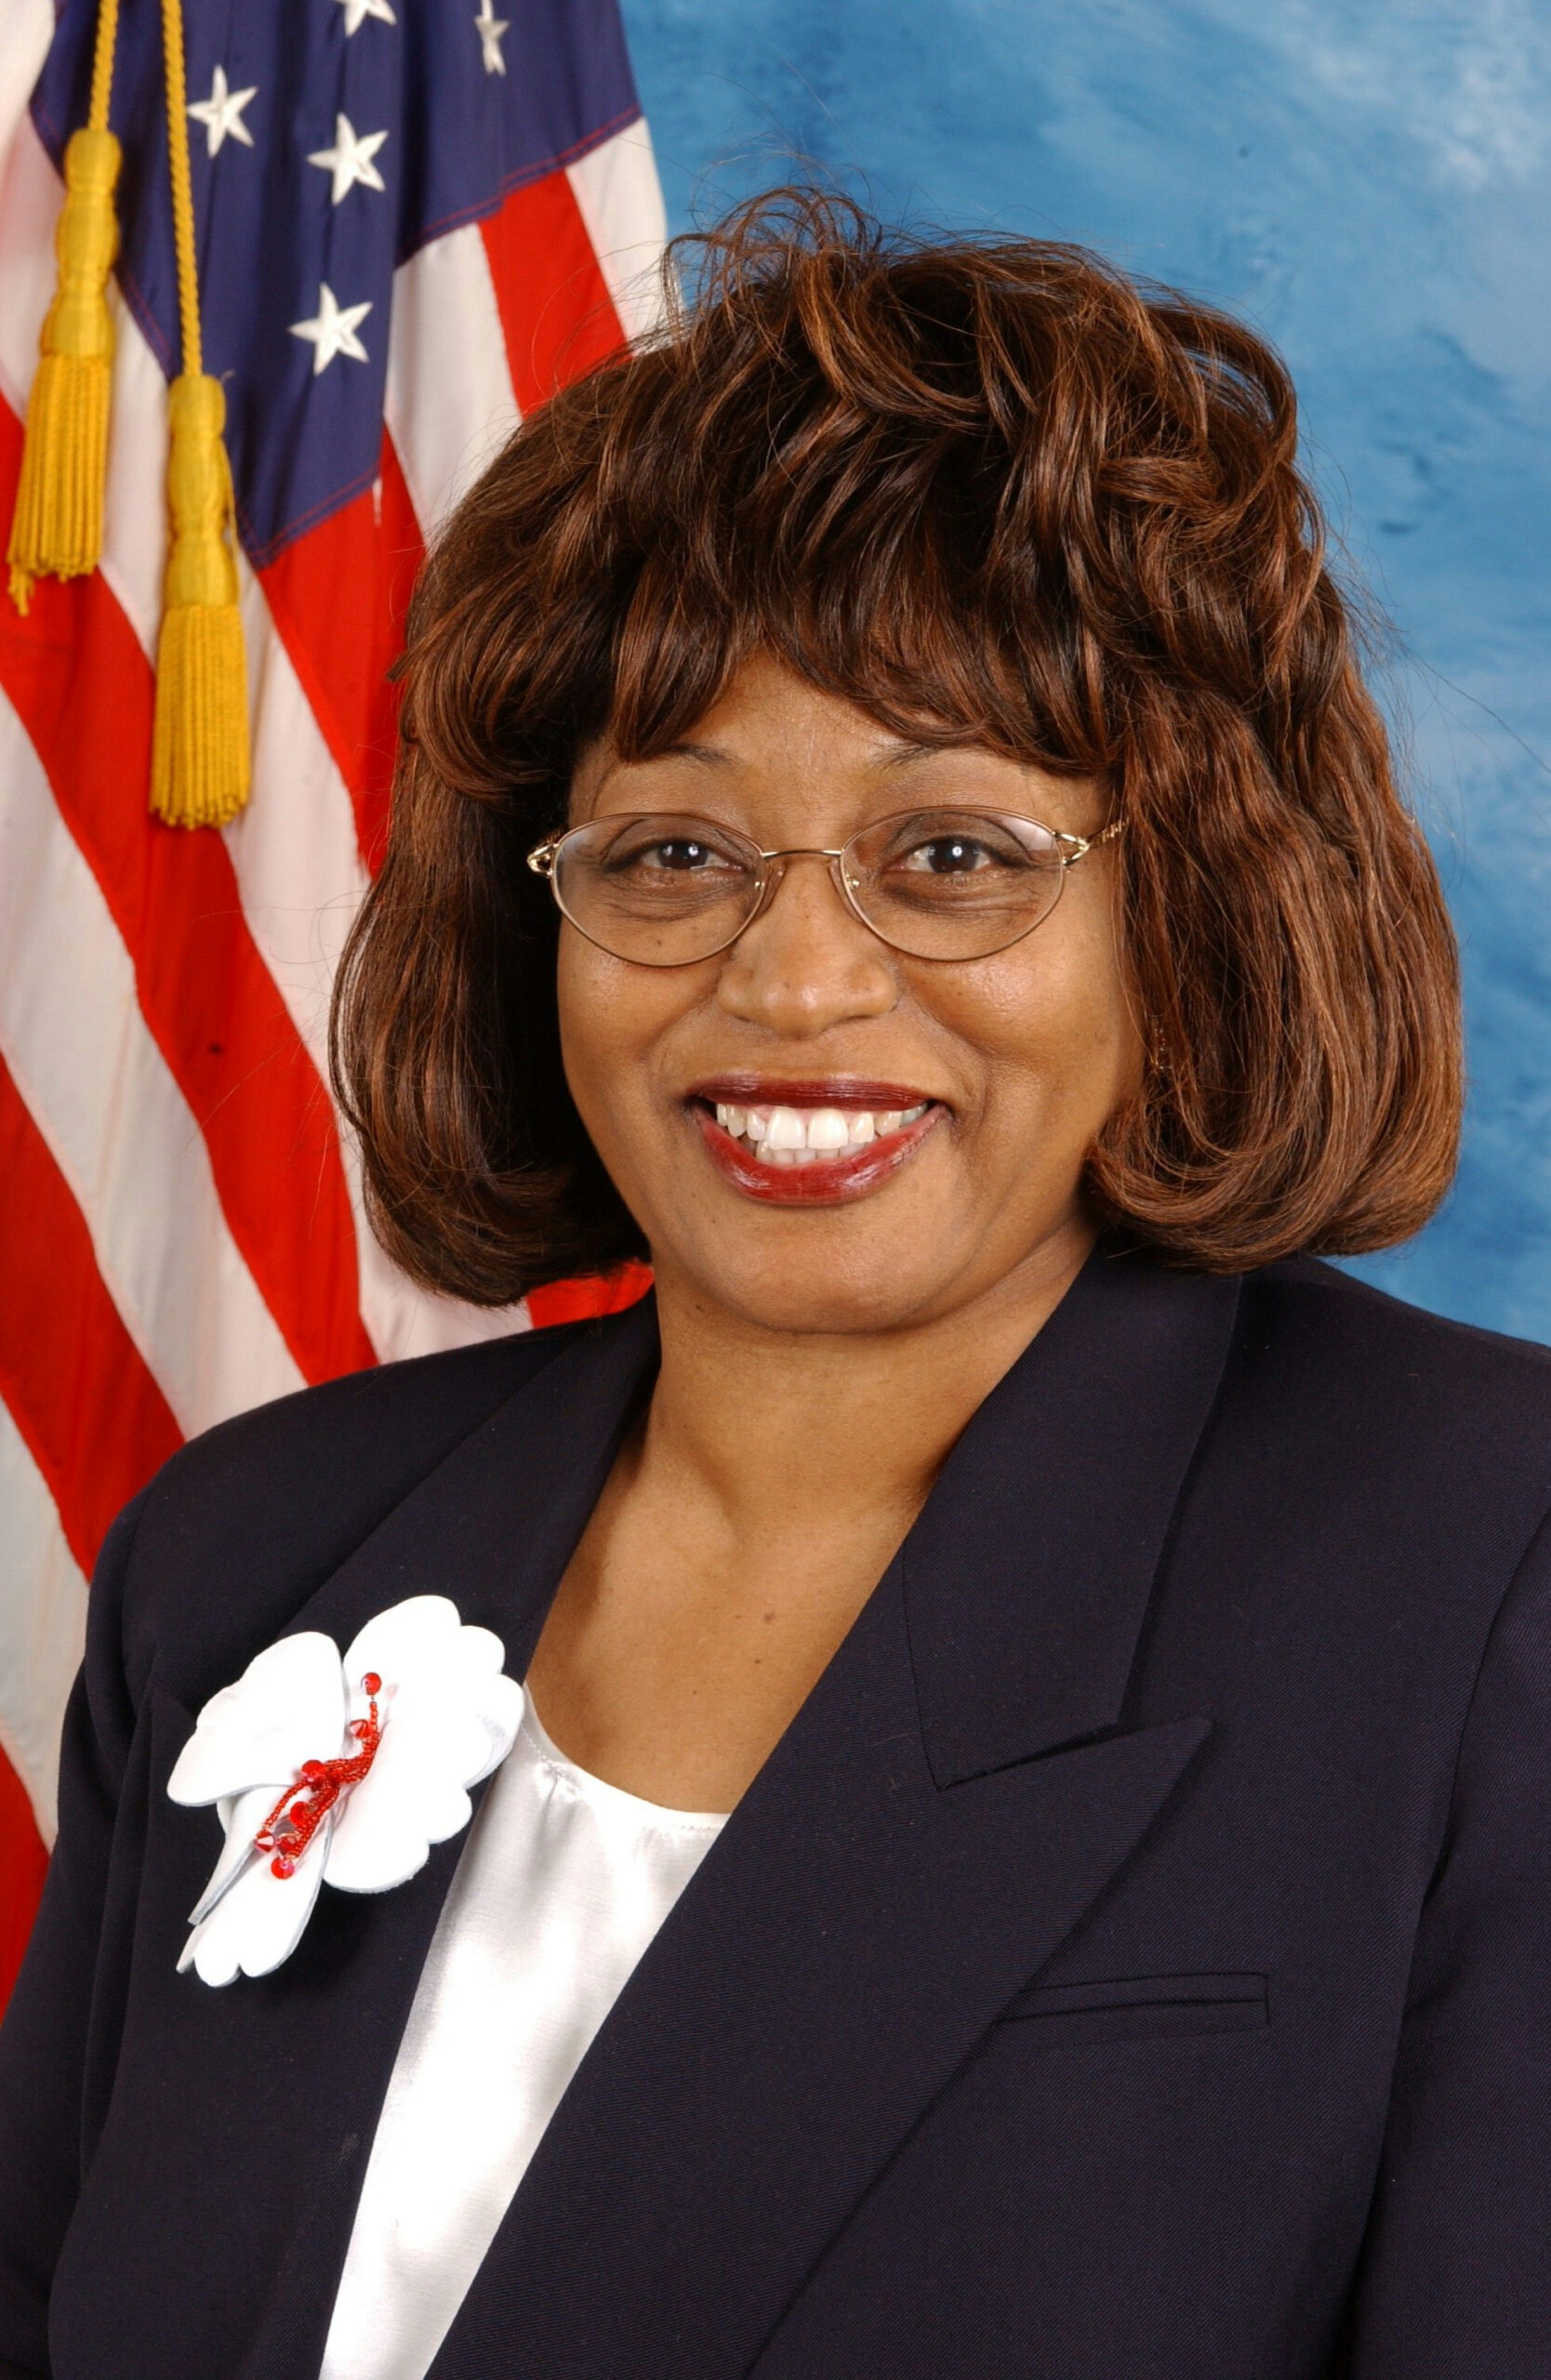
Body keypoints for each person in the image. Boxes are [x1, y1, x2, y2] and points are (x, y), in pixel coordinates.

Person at [1, 190, 1547, 2380]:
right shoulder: (248, 1557)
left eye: (955, 853)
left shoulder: (1488, 1561)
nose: (793, 978)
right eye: (673, 851)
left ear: (1190, 909)